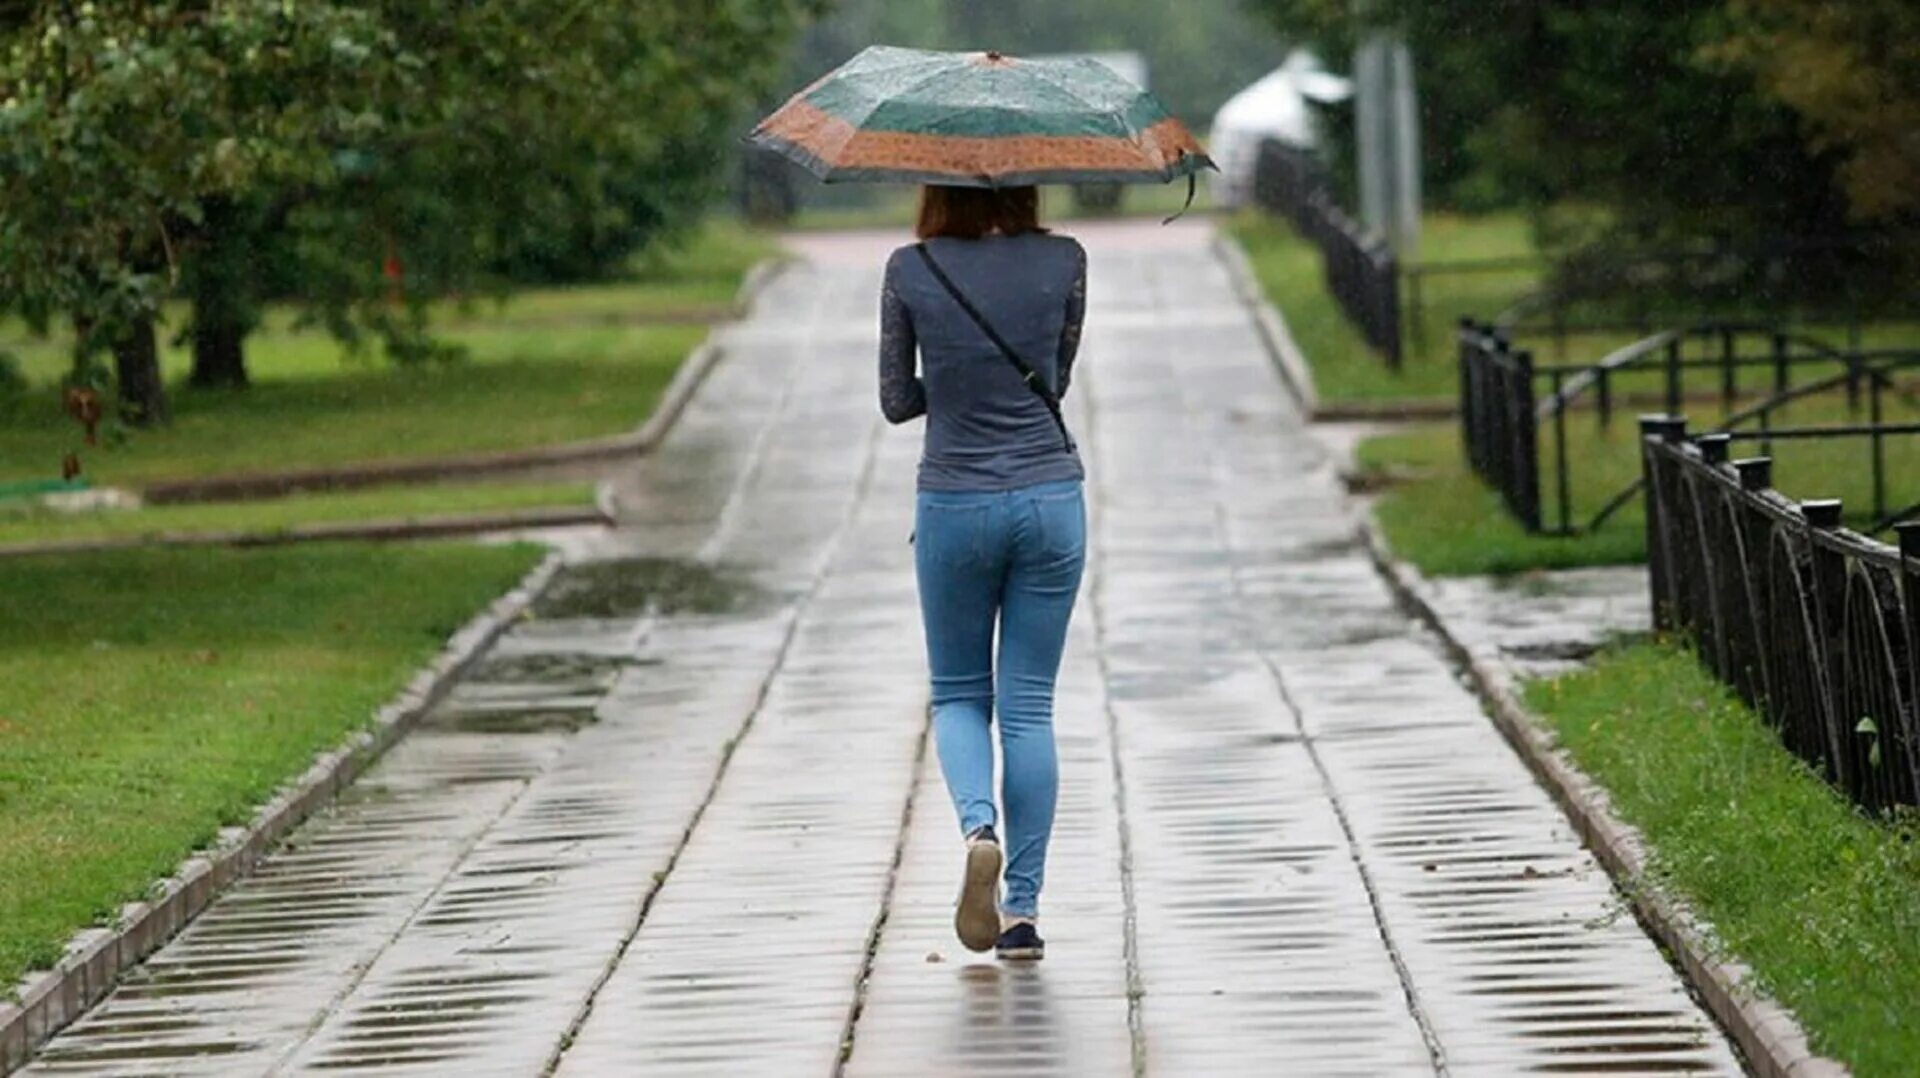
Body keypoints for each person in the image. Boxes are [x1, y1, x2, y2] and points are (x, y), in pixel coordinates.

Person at [878, 184, 1087, 962]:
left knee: (961, 694)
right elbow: (1054, 379)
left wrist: (955, 383)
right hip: (1050, 500)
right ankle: (1022, 913)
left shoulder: (911, 267)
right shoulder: (1067, 259)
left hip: (955, 505)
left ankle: (978, 829)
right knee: (1029, 708)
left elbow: (898, 400)